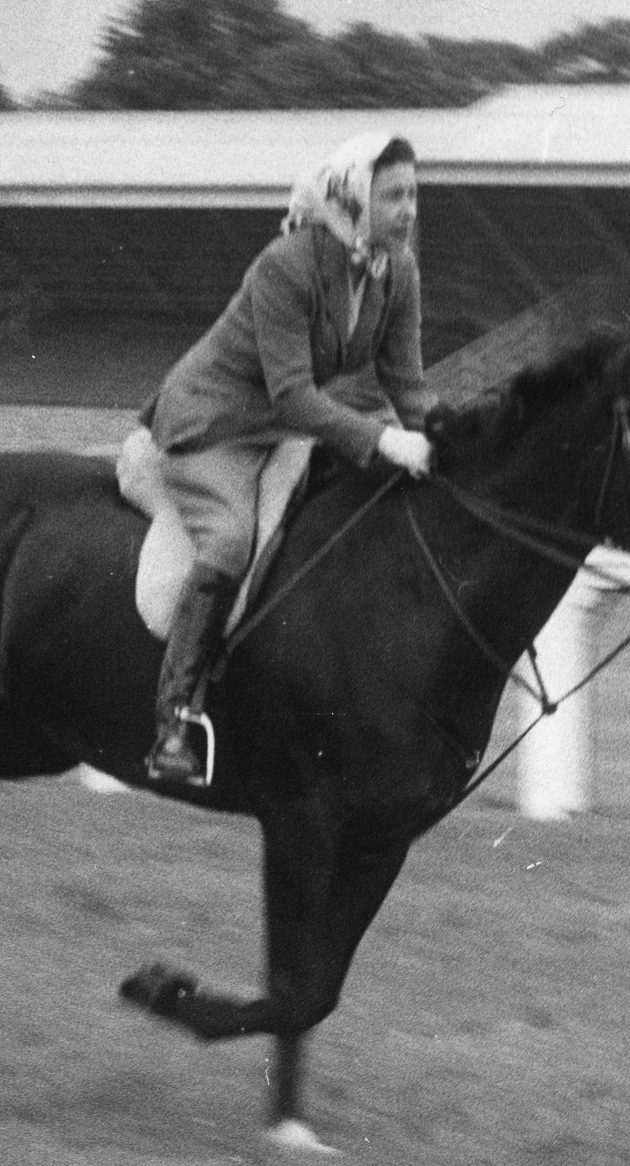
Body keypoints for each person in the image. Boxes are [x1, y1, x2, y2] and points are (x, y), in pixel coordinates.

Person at [142, 131, 438, 787]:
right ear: (354, 200)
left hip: (280, 427)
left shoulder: (399, 271)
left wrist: (445, 441)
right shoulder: (286, 265)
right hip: (211, 421)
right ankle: (173, 722)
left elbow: (407, 385)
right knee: (226, 542)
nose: (410, 209)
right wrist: (384, 440)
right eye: (394, 195)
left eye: (414, 193)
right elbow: (296, 396)